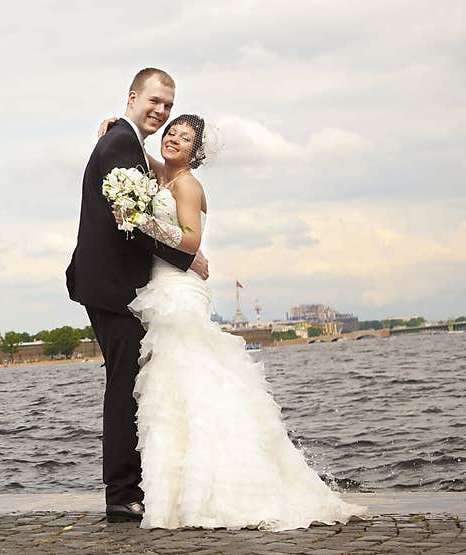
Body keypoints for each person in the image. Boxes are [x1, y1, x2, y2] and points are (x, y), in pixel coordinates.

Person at [98, 112, 369, 530]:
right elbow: (136, 150)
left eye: (185, 139)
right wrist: (119, 124)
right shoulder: (163, 174)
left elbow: (190, 241)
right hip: (158, 286)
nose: (173, 140)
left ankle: (217, 487)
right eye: (172, 132)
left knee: (188, 378)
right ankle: (178, 489)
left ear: (196, 152)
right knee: (169, 388)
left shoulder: (187, 184)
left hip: (178, 289)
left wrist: (140, 220)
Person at [66, 68, 209, 523]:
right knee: (125, 388)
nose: (161, 111)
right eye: (155, 101)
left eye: (168, 105)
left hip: (114, 286)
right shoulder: (121, 143)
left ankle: (142, 483)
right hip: (112, 288)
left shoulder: (125, 142)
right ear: (133, 96)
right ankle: (123, 494)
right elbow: (127, 219)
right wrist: (187, 259)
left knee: (135, 384)